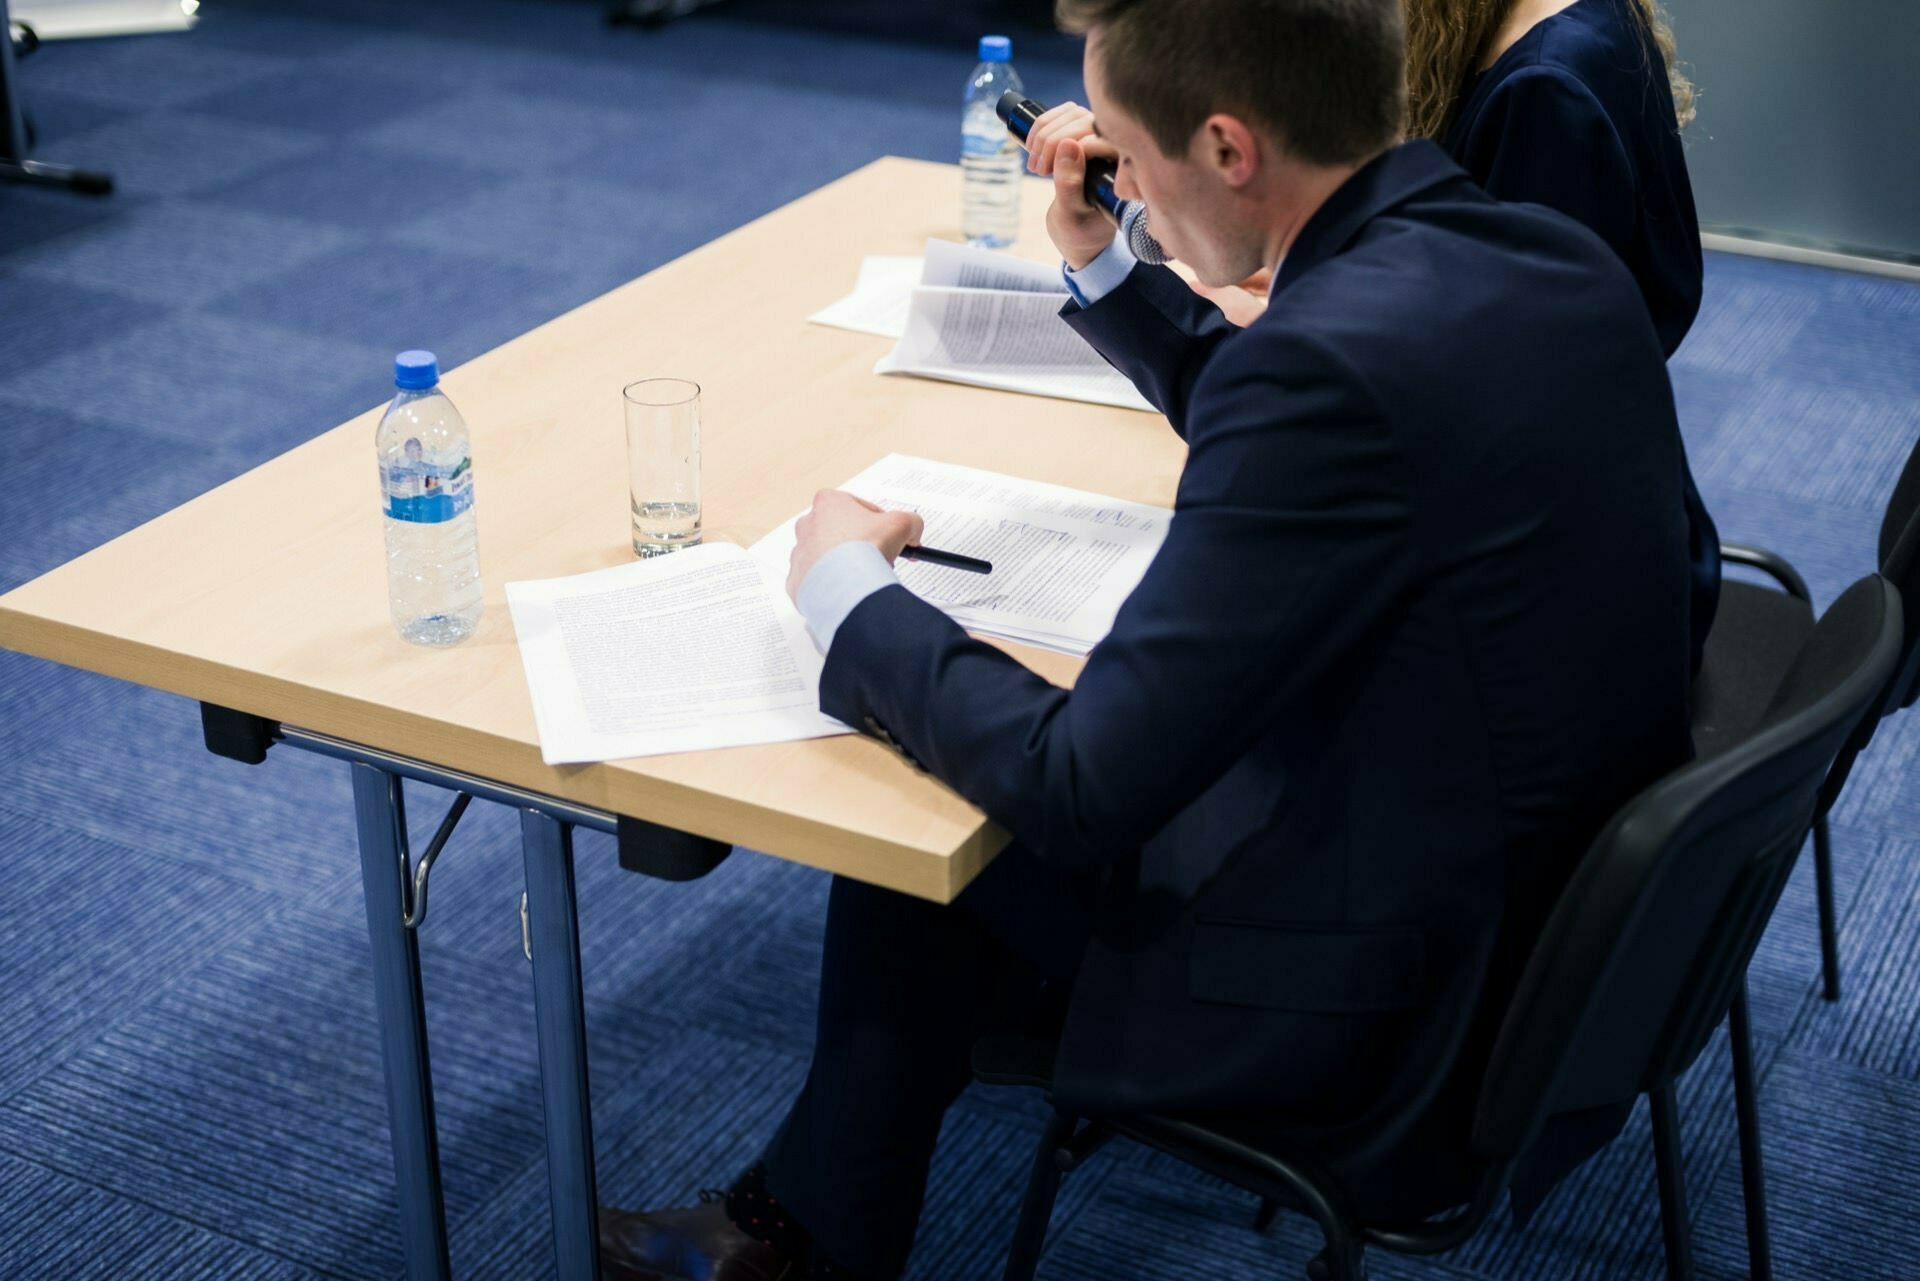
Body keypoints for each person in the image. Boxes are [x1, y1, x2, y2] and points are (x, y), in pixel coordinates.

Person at [598, 1, 1694, 1277]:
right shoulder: (1523, 245)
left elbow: (1079, 788)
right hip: (1549, 915)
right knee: (988, 749)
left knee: (931, 817)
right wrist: (1114, 273)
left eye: (1126, 148)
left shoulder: (1326, 368)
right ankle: (810, 1213)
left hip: (1402, 1014)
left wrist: (849, 591)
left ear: (1229, 149)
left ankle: (805, 1243)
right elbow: (1327, 395)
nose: (1115, 181)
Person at [1026, 0, 1720, 672]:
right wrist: (1160, 143)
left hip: (1535, 634)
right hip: (1577, 556)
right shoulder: (1529, 34)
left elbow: (1360, 424)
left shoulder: (1546, 90)